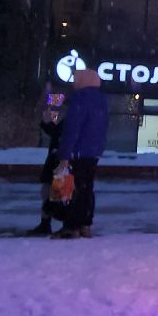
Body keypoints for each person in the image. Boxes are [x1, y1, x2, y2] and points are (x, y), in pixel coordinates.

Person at [54, 69, 109, 239]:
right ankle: (86, 225)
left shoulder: (80, 98)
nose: (73, 82)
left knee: (69, 189)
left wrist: (64, 154)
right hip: (92, 153)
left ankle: (71, 227)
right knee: (87, 189)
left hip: (76, 152)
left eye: (75, 79)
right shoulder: (102, 100)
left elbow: (72, 128)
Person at [29, 90, 66, 236]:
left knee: (57, 192)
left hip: (61, 157)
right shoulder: (64, 100)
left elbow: (56, 130)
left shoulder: (66, 99)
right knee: (51, 191)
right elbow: (55, 129)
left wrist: (46, 119)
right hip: (58, 156)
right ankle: (49, 223)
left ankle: (56, 223)